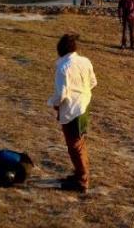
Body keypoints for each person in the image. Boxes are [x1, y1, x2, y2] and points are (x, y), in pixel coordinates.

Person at [47, 33, 97, 193]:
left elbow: (61, 94)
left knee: (75, 145)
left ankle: (82, 180)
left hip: (72, 110)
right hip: (84, 106)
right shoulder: (85, 61)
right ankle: (79, 174)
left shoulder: (63, 68)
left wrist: (53, 103)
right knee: (78, 143)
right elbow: (93, 83)